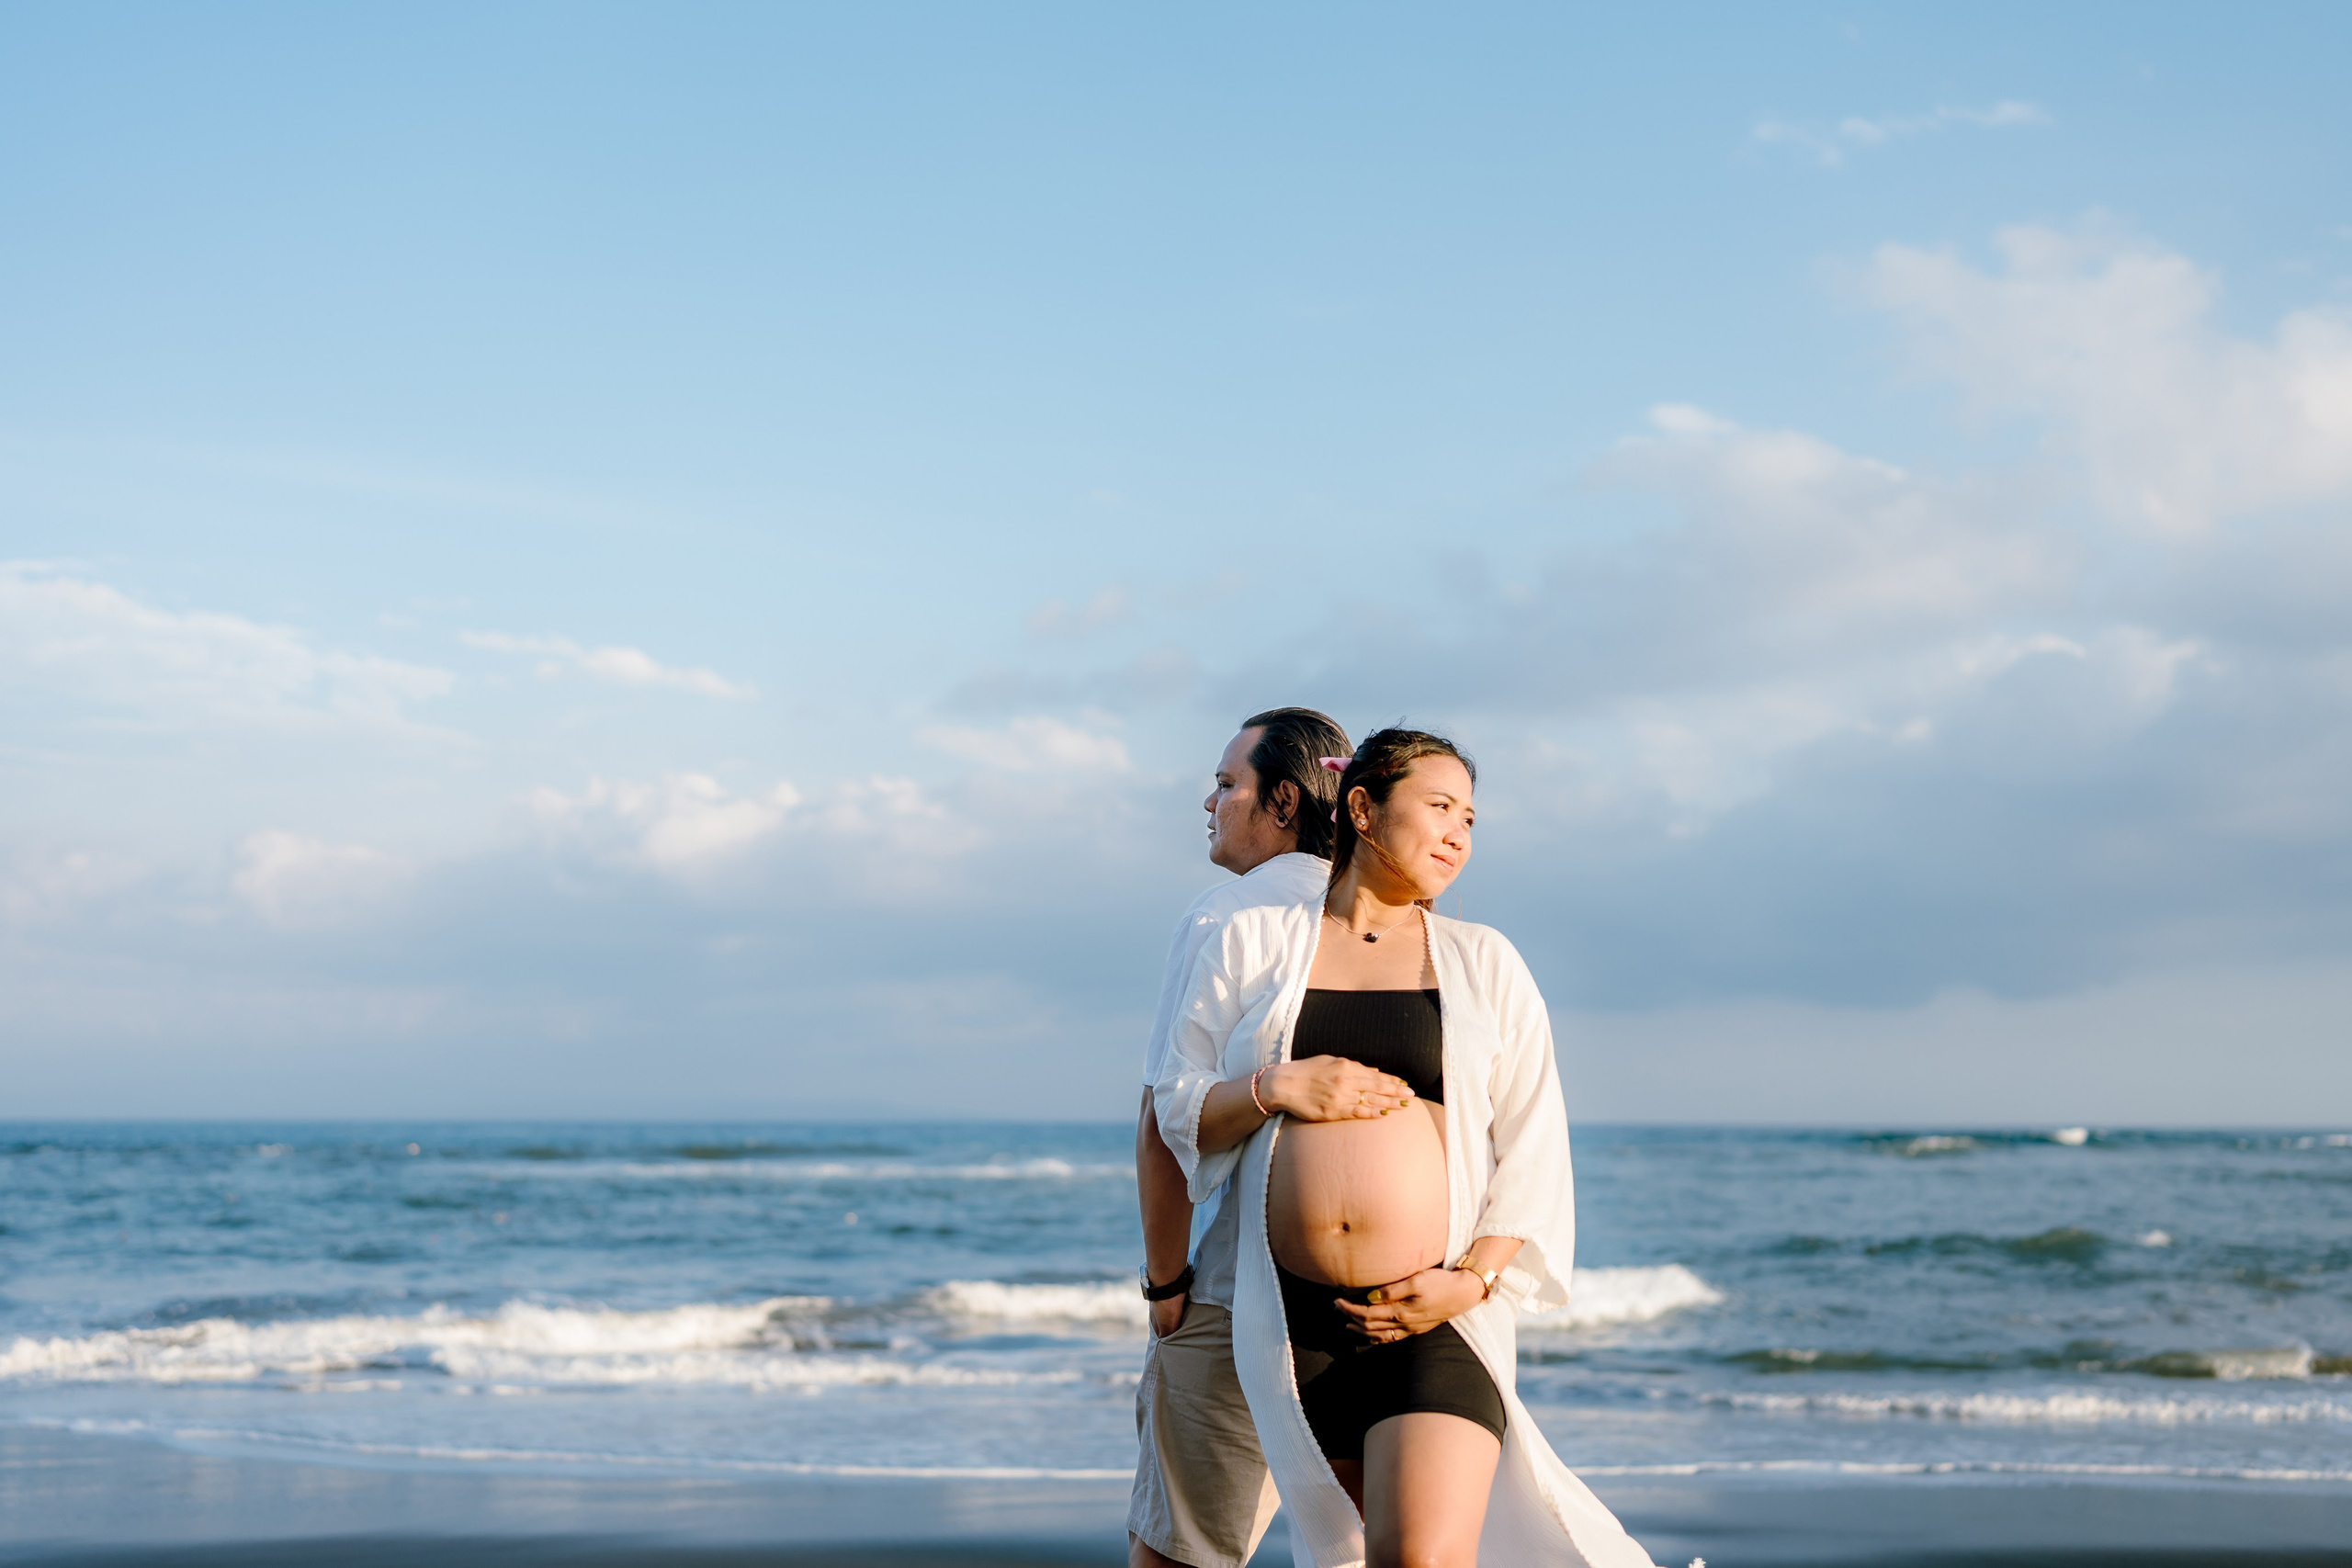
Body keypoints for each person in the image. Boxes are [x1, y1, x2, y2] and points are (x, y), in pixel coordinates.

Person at [1155, 728, 1661, 1568]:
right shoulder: (1254, 945)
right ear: (1361, 807)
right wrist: (1275, 1088)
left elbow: (1532, 1144)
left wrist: (1469, 1281)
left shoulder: (1484, 961)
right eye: (1438, 807)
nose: (1459, 832)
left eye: (1470, 816)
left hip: (1438, 1317)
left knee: (1421, 1557)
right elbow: (1175, 1109)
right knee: (1356, 1557)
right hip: (1296, 1324)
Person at [1130, 706, 1354, 1568]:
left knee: (1182, 1552)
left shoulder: (1230, 916)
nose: (1210, 801)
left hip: (1230, 1292)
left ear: (1284, 801)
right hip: (1365, 1295)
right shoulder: (1388, 926)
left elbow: (1162, 1118)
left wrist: (1164, 1284)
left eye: (1228, 784)